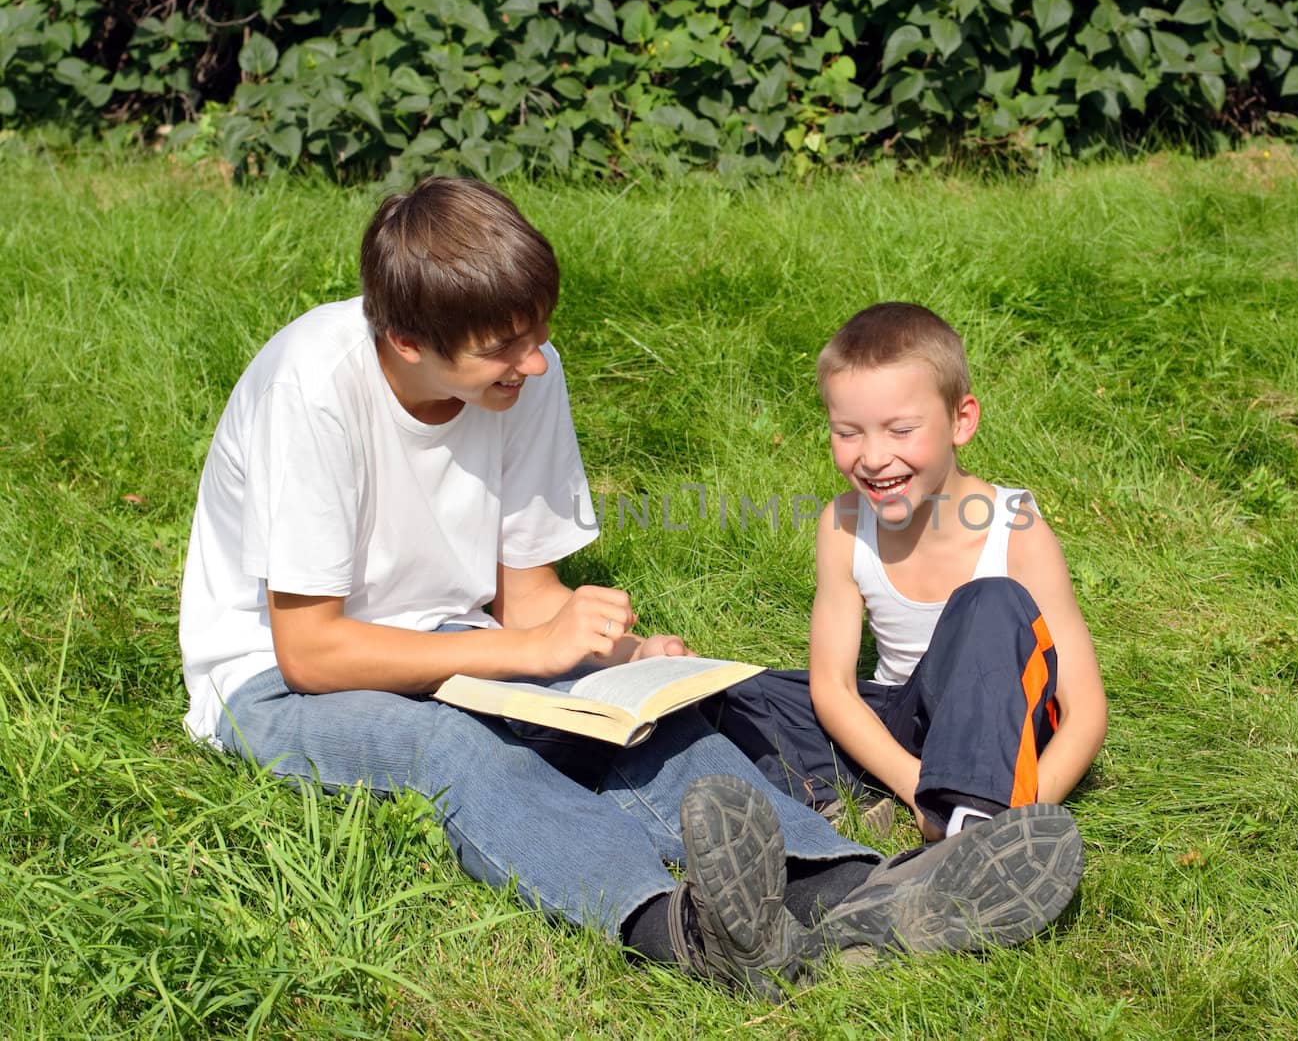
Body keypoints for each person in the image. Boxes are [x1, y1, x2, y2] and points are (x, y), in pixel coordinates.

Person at [178, 181, 1084, 998]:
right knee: (455, 751)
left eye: (537, 332)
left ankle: (842, 888)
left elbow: (528, 595)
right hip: (273, 679)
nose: (534, 364)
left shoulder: (524, 375)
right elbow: (311, 650)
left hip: (456, 640)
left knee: (638, 719)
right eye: (506, 348)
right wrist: (526, 650)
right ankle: (682, 927)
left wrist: (613, 659)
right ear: (408, 341)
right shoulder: (312, 386)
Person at [711, 302, 1108, 842]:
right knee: (727, 692)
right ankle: (886, 799)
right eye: (848, 433)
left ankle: (984, 820)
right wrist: (918, 785)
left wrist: (1030, 811)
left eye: (900, 430)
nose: (873, 457)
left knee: (989, 601)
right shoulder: (843, 526)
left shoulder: (1014, 530)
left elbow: (1082, 711)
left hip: (998, 724)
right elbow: (832, 688)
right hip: (906, 721)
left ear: (960, 421)